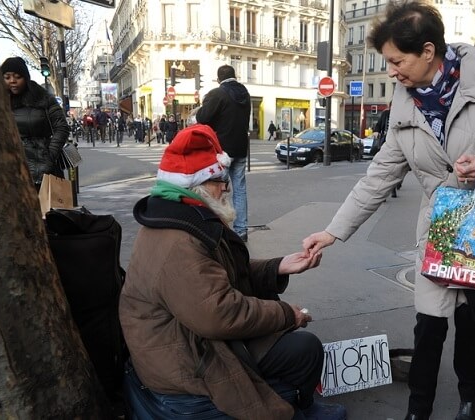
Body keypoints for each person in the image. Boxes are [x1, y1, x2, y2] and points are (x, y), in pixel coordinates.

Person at [301, 2, 475, 420]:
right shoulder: (404, 103)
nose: (392, 70)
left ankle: (471, 397)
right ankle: (419, 409)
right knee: (429, 324)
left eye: (398, 60)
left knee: (474, 321)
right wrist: (332, 232)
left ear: (428, 51)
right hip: (438, 229)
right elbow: (379, 175)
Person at [119, 124, 343, 420]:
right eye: (219, 179)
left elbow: (215, 278)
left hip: (188, 339)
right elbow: (220, 313)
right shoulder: (179, 240)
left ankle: (301, 404)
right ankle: (301, 410)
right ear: (196, 186)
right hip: (186, 359)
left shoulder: (183, 219)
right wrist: (289, 314)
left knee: (297, 345)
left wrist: (278, 266)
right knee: (304, 348)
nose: (226, 186)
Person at [197, 64, 253, 241]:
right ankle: (241, 229)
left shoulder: (217, 93)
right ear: (234, 76)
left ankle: (218, 229)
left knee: (217, 189)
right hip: (241, 148)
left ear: (219, 78)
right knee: (240, 189)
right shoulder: (245, 93)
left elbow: (202, 118)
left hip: (221, 151)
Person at [1, 57, 70, 190]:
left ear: (25, 78)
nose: (12, 81)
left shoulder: (43, 98)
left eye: (17, 77)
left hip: (43, 168)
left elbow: (61, 128)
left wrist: (49, 156)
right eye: (7, 77)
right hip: (10, 169)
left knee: (48, 209)